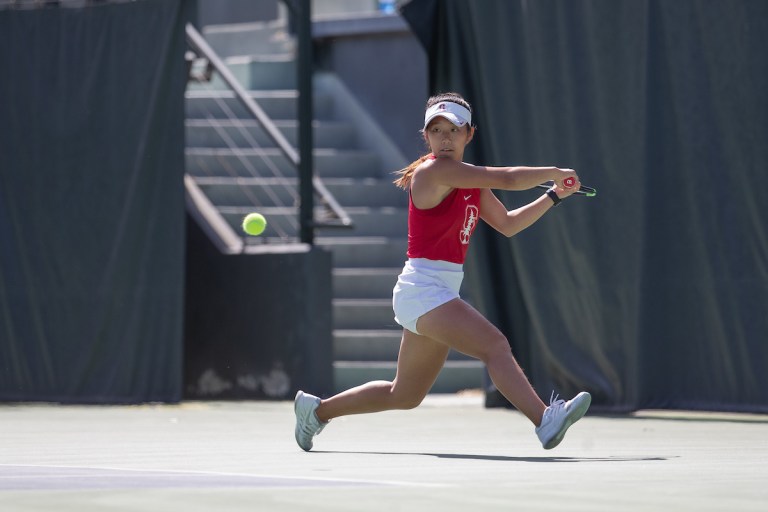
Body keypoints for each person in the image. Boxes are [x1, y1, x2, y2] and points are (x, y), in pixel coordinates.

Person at [295, 92, 591, 452]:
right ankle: (545, 420)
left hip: (434, 292)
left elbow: (509, 224)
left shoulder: (470, 185)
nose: (445, 138)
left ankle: (316, 411)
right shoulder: (433, 171)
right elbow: (510, 179)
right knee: (495, 345)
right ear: (427, 137)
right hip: (423, 289)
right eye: (436, 130)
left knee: (403, 394)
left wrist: (553, 196)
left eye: (453, 130)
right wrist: (554, 173)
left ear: (470, 134)